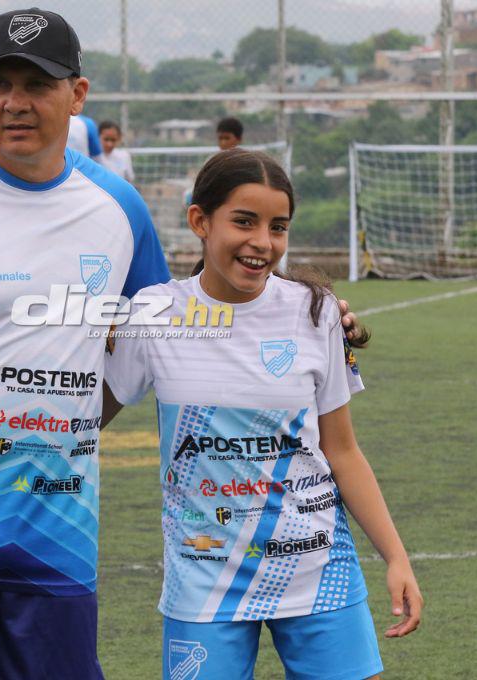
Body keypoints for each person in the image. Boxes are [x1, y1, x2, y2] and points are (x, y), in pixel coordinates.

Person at [0, 8, 363, 678]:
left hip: (56, 546)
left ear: (77, 94)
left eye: (37, 85)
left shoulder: (118, 209)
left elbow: (181, 326)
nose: (16, 102)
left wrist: (307, 315)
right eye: (0, 83)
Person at [103, 149, 422, 680]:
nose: (263, 242)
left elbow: (342, 451)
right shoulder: (154, 314)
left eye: (278, 227)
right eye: (244, 222)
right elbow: (86, 416)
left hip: (317, 566)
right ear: (200, 221)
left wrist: (396, 557)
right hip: (204, 577)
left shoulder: (315, 310)